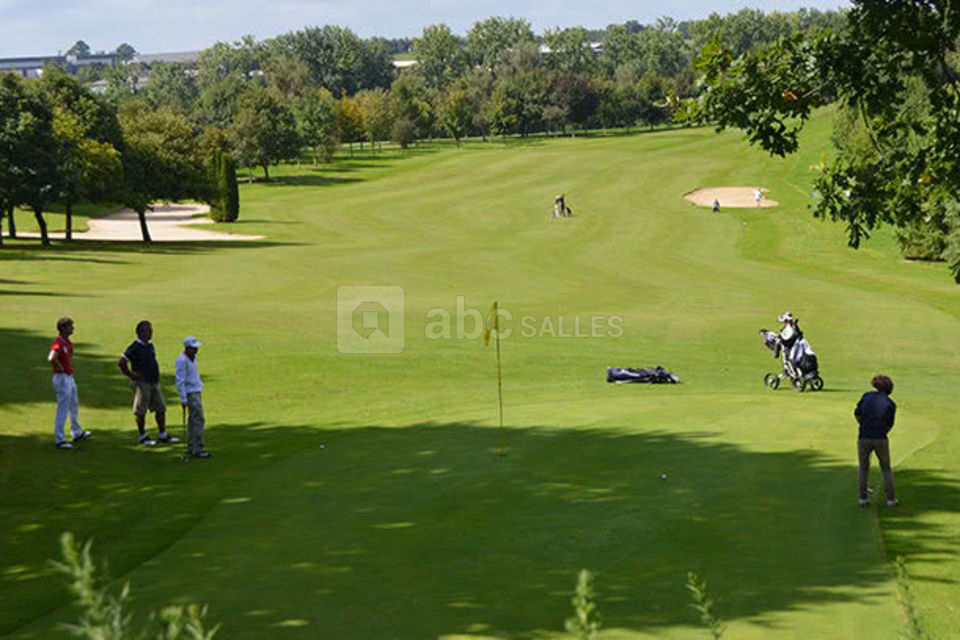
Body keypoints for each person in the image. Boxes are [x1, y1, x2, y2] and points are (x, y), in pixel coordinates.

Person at [118, 320, 179, 446]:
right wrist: (131, 374)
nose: (151, 333)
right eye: (148, 331)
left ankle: (162, 434)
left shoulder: (150, 345)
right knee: (141, 410)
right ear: (140, 333)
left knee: (161, 408)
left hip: (154, 382)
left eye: (151, 330)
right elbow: (121, 361)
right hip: (142, 383)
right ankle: (143, 436)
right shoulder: (134, 347)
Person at [48, 317, 92, 449]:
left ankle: (76, 432)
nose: (73, 328)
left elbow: (69, 355)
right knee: (63, 408)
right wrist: (59, 366)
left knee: (74, 405)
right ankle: (60, 439)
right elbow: (51, 357)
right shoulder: (58, 343)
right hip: (62, 378)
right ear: (63, 328)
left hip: (68, 377)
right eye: (70, 326)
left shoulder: (67, 343)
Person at [855, 375, 898, 508]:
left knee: (863, 468)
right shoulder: (890, 403)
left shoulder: (866, 396)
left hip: (864, 437)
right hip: (881, 438)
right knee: (886, 469)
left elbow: (857, 413)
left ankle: (863, 499)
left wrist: (862, 425)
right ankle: (890, 499)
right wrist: (883, 431)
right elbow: (890, 424)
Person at [175, 336, 210, 458]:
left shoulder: (192, 358)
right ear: (187, 348)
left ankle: (192, 446)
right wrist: (183, 398)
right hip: (190, 393)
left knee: (193, 420)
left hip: (196, 390)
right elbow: (180, 381)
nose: (196, 350)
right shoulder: (182, 360)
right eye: (194, 348)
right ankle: (197, 448)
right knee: (198, 419)